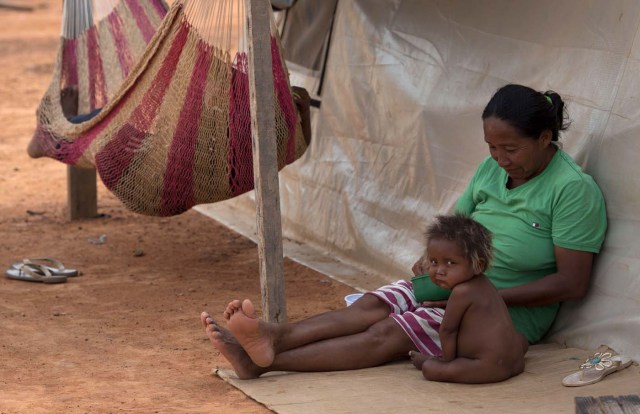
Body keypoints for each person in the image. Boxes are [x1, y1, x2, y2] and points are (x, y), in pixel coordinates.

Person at [200, 83, 607, 380]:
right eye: (491, 148)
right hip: (451, 283)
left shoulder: (572, 190)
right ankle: (274, 336)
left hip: (503, 314)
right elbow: (456, 226)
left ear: (545, 137)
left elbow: (572, 283)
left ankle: (261, 362)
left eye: (510, 149)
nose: (499, 159)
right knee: (372, 307)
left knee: (389, 332)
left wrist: (482, 297)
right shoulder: (492, 170)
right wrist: (434, 261)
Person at [407, 214, 527, 383]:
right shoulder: (485, 284)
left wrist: (445, 364)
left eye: (450, 263)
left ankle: (432, 361)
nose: (439, 270)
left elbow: (447, 331)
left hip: (488, 367)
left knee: (429, 369)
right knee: (519, 338)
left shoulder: (462, 292)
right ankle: (508, 359)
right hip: (516, 363)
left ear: (478, 265)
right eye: (434, 262)